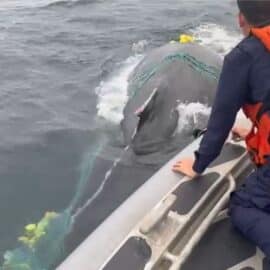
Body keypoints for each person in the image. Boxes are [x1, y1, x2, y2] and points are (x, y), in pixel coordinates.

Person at [173, 0, 270, 258]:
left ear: (241, 19)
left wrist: (198, 165)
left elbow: (221, 118)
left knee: (243, 207)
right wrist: (254, 128)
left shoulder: (242, 57)